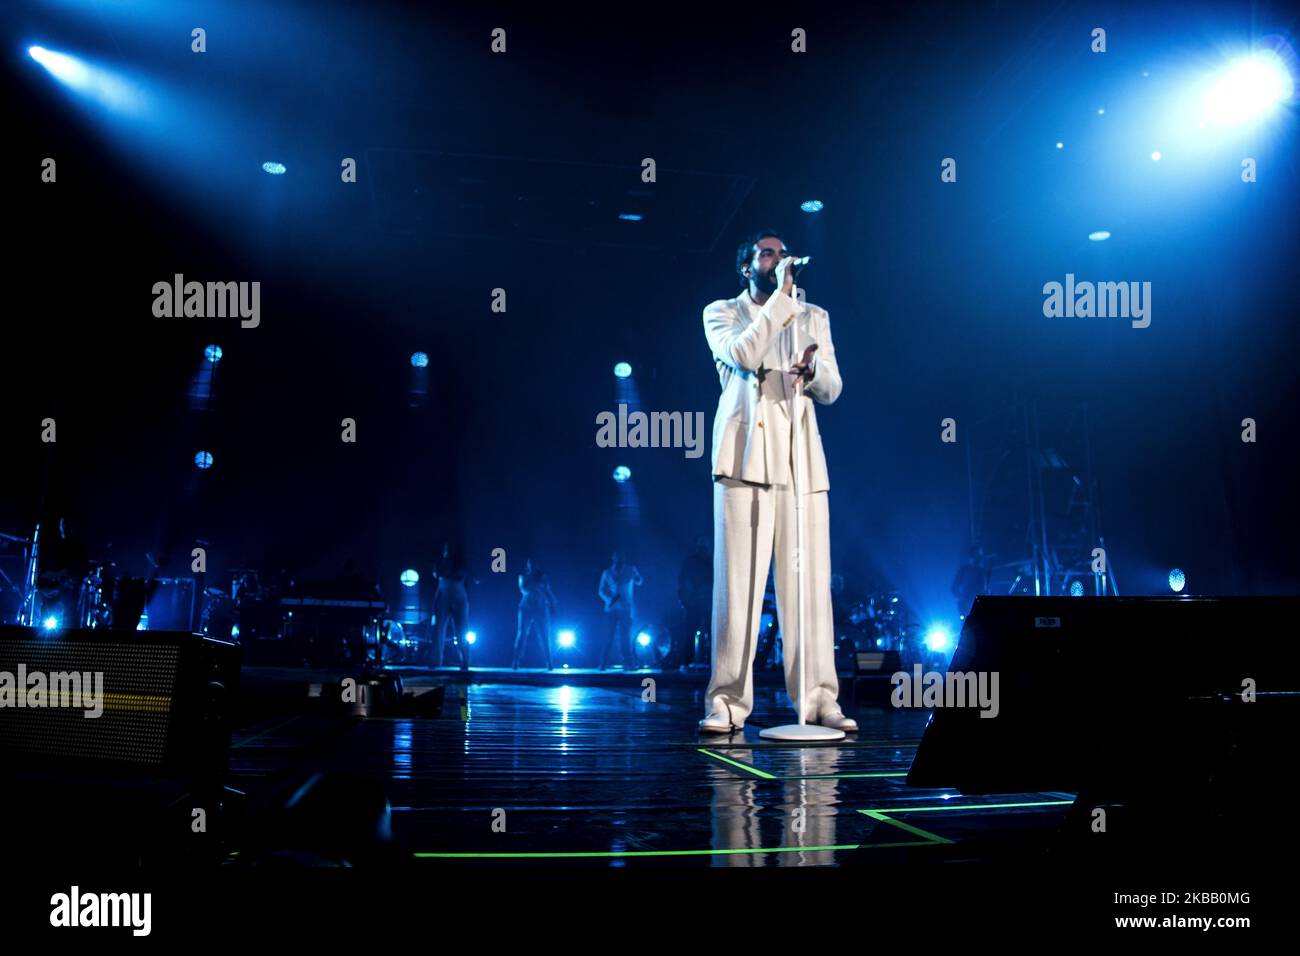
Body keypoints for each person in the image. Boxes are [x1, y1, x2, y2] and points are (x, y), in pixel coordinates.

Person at [698, 230, 857, 734]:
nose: (779, 258)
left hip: (801, 463)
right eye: (768, 252)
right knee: (739, 588)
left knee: (808, 586)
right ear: (747, 265)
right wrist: (783, 301)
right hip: (745, 459)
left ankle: (818, 699)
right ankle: (726, 703)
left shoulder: (815, 317)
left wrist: (811, 374)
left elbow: (833, 388)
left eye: (783, 252)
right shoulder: (721, 312)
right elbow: (746, 355)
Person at [597, 551, 642, 670]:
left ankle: (628, 663)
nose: (619, 558)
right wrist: (609, 599)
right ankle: (602, 663)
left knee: (625, 636)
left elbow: (639, 581)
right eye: (616, 556)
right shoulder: (607, 572)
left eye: (621, 556)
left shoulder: (631, 569)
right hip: (611, 608)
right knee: (609, 635)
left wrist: (637, 575)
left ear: (624, 557)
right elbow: (601, 590)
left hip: (626, 608)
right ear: (613, 558)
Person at [674, 537, 712, 668]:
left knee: (709, 631)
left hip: (705, 601)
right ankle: (686, 659)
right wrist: (686, 597)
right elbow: (683, 580)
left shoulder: (710, 561)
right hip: (695, 602)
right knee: (691, 631)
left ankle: (711, 659)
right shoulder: (691, 562)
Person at [432, 542, 470, 669]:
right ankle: (436, 660)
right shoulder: (440, 563)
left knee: (461, 630)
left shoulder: (461, 564)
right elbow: (437, 574)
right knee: (438, 630)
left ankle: (464, 660)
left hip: (457, 596)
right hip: (444, 594)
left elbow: (463, 574)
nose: (448, 552)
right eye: (447, 549)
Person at [513, 557, 556, 669]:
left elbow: (548, 591)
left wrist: (553, 602)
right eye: (530, 564)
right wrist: (536, 587)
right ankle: (516, 661)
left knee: (544, 635)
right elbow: (523, 589)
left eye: (534, 563)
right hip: (526, 607)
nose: (532, 565)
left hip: (541, 607)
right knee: (522, 634)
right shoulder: (523, 576)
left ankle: (549, 662)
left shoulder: (543, 577)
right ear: (527, 565)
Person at [951, 545, 989, 618]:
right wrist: (963, 599)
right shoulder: (964, 570)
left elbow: (984, 589)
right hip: (967, 607)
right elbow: (954, 588)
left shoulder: (983, 571)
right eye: (977, 554)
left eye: (980, 554)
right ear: (971, 556)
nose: (980, 557)